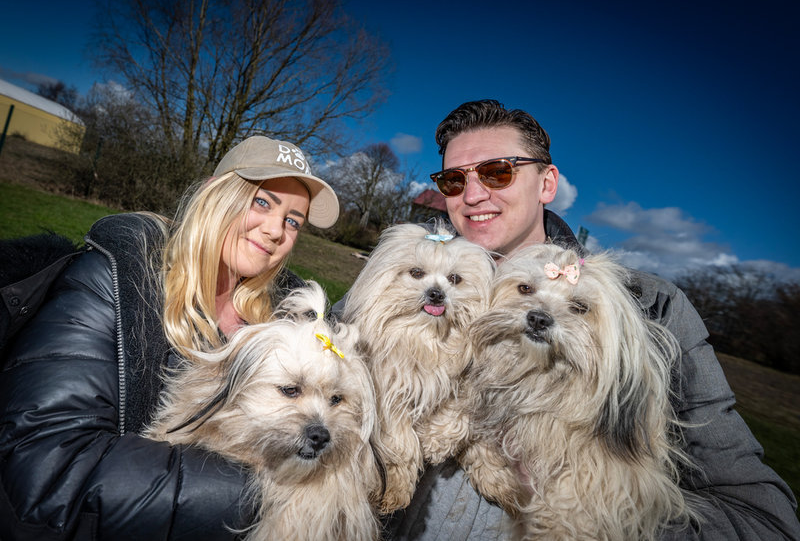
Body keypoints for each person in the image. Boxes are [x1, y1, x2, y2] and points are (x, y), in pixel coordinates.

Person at [384, 99, 800, 540]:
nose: (472, 195)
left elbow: (765, 520)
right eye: (453, 180)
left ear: (547, 184)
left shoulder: (654, 306)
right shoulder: (405, 274)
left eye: (497, 172)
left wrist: (595, 512)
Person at [0, 136, 339, 540]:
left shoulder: (290, 319)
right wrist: (277, 494)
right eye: (262, 202)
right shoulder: (114, 278)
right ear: (217, 192)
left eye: (293, 221)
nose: (274, 230)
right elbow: (48, 469)